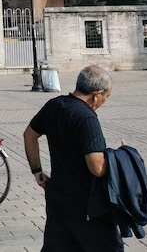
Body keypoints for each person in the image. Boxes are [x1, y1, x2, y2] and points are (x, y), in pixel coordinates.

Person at [23, 65, 124, 251]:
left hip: (58, 199)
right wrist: (122, 158)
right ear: (96, 94)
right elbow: (97, 167)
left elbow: (29, 135)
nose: (105, 101)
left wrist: (36, 170)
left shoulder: (54, 105)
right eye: (106, 96)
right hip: (88, 206)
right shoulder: (87, 118)